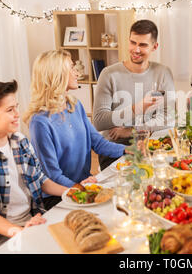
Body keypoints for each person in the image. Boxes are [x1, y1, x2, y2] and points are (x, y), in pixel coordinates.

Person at [0, 80, 69, 254]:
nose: (18, 114)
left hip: (33, 219)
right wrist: (21, 232)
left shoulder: (21, 141)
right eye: (10, 110)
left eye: (16, 107)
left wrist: (71, 192)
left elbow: (41, 180)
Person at [24, 50, 128, 210]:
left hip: (84, 184)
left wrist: (128, 150)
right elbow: (52, 175)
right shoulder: (40, 122)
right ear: (56, 74)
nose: (76, 72)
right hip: (59, 195)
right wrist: (80, 187)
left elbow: (98, 143)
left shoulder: (74, 105)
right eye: (71, 68)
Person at [93, 19, 175, 170]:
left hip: (151, 146)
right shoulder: (108, 74)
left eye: (143, 45)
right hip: (115, 149)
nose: (136, 50)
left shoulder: (163, 73)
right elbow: (99, 121)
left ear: (154, 47)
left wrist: (132, 130)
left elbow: (168, 118)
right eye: (133, 42)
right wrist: (138, 108)